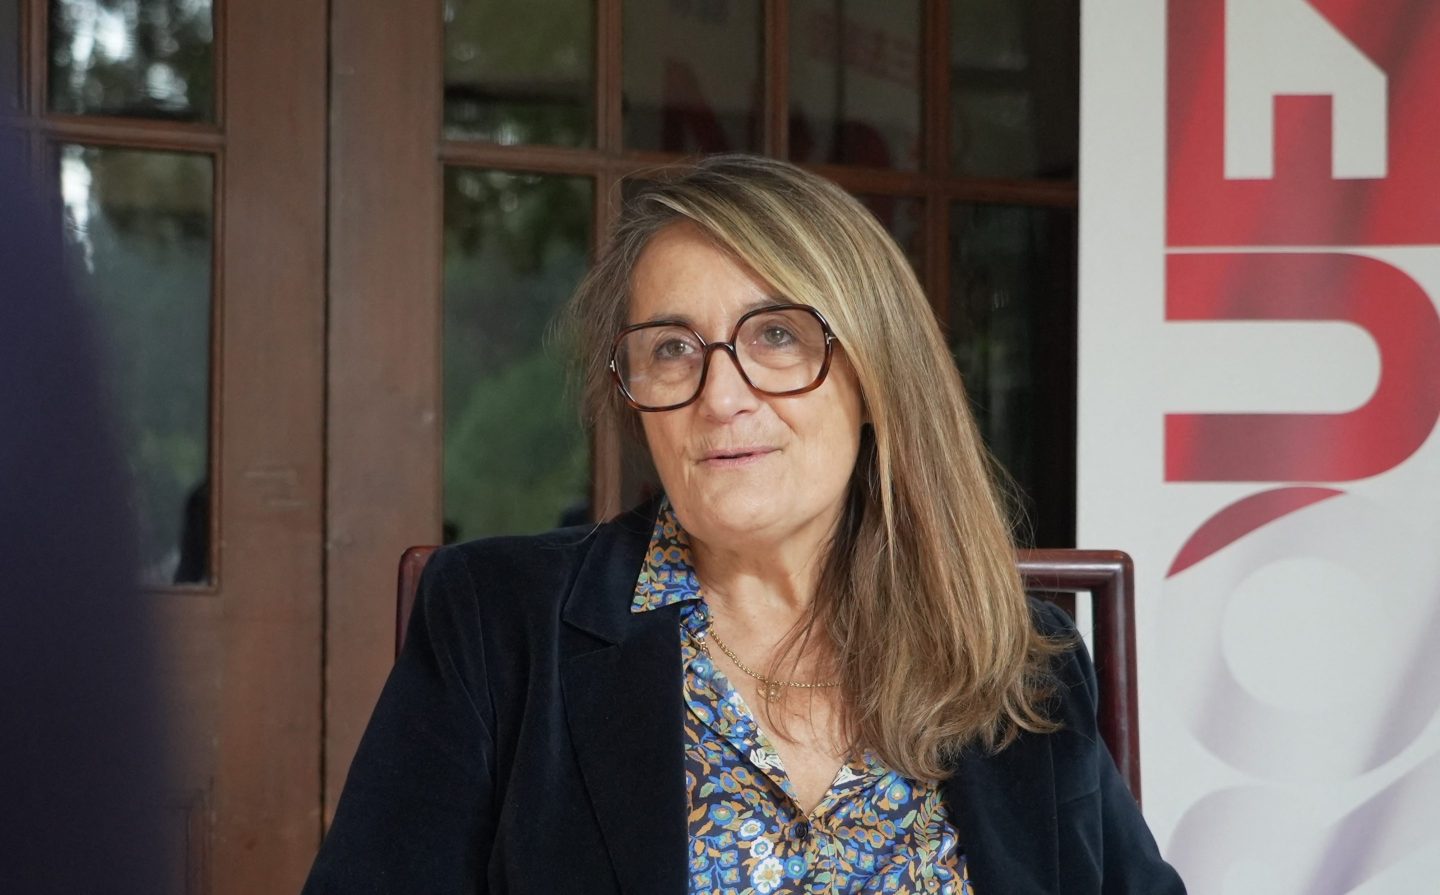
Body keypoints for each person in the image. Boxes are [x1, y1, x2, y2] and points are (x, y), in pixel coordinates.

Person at [304, 155, 1185, 894]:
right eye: (671, 348)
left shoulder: (1017, 660)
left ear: (875, 375)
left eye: (776, 336)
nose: (721, 396)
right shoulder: (497, 622)